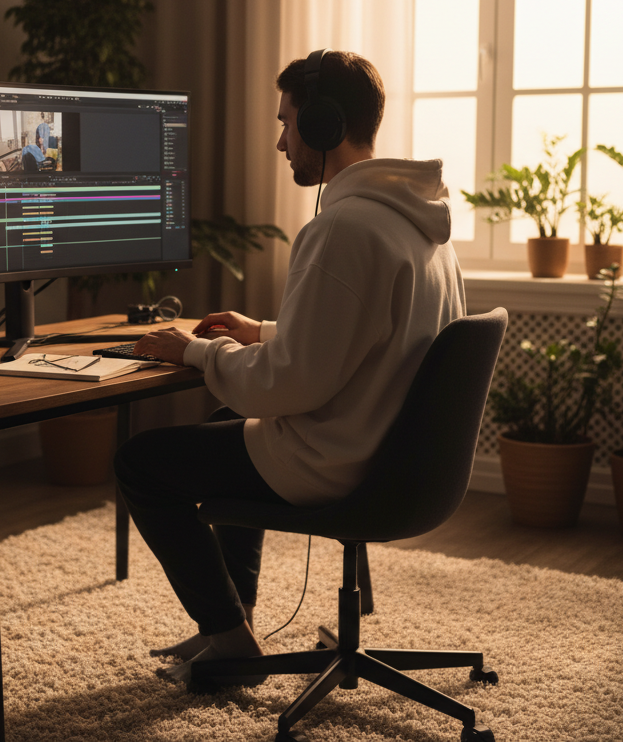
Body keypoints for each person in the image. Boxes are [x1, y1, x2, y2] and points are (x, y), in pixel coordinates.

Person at [114, 50, 466, 682]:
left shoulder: (345, 229)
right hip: (396, 458)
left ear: (324, 125)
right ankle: (231, 624)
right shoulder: (423, 227)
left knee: (141, 465)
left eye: (286, 122)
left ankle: (231, 643)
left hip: (336, 460)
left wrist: (196, 350)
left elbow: (287, 384)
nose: (281, 142)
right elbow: (374, 340)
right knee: (227, 418)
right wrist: (265, 332)